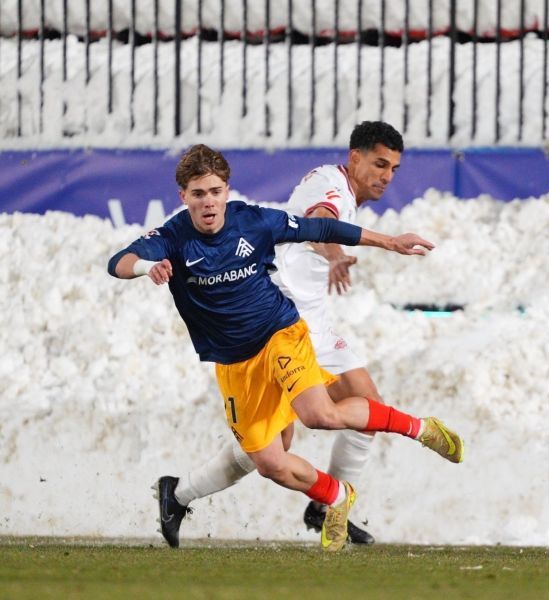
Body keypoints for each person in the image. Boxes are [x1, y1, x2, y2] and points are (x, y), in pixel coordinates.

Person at [108, 143, 464, 553]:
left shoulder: (253, 221)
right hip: (235, 363)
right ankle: (333, 497)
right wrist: (144, 267)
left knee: (320, 414)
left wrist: (388, 242)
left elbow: (322, 228)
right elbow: (118, 261)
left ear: (227, 190)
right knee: (271, 461)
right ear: (183, 196)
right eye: (198, 193)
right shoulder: (171, 237)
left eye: (216, 191)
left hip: (281, 333)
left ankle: (422, 429)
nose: (208, 202)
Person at [155, 122, 409, 548]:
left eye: (394, 169)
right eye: (379, 164)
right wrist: (335, 256)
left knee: (320, 429)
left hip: (315, 320)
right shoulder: (329, 185)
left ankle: (326, 508)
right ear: (355, 158)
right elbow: (318, 221)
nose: (386, 175)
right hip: (285, 319)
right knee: (277, 446)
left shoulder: (344, 189)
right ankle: (181, 494)